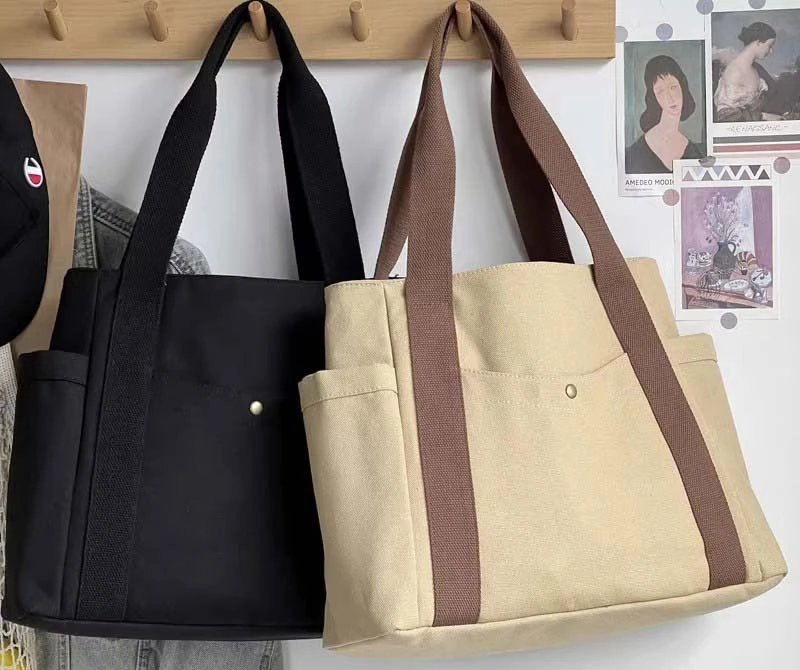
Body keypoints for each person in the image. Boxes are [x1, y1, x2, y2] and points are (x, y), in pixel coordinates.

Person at [626, 55, 704, 174]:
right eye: (661, 91)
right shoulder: (634, 153)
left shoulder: (695, 153)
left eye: (673, 87)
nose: (670, 97)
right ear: (654, 97)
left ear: (682, 86)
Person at [714, 22, 777, 122]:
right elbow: (726, 116)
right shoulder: (735, 70)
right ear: (759, 42)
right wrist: (763, 116)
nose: (771, 51)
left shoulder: (757, 69)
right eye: (770, 46)